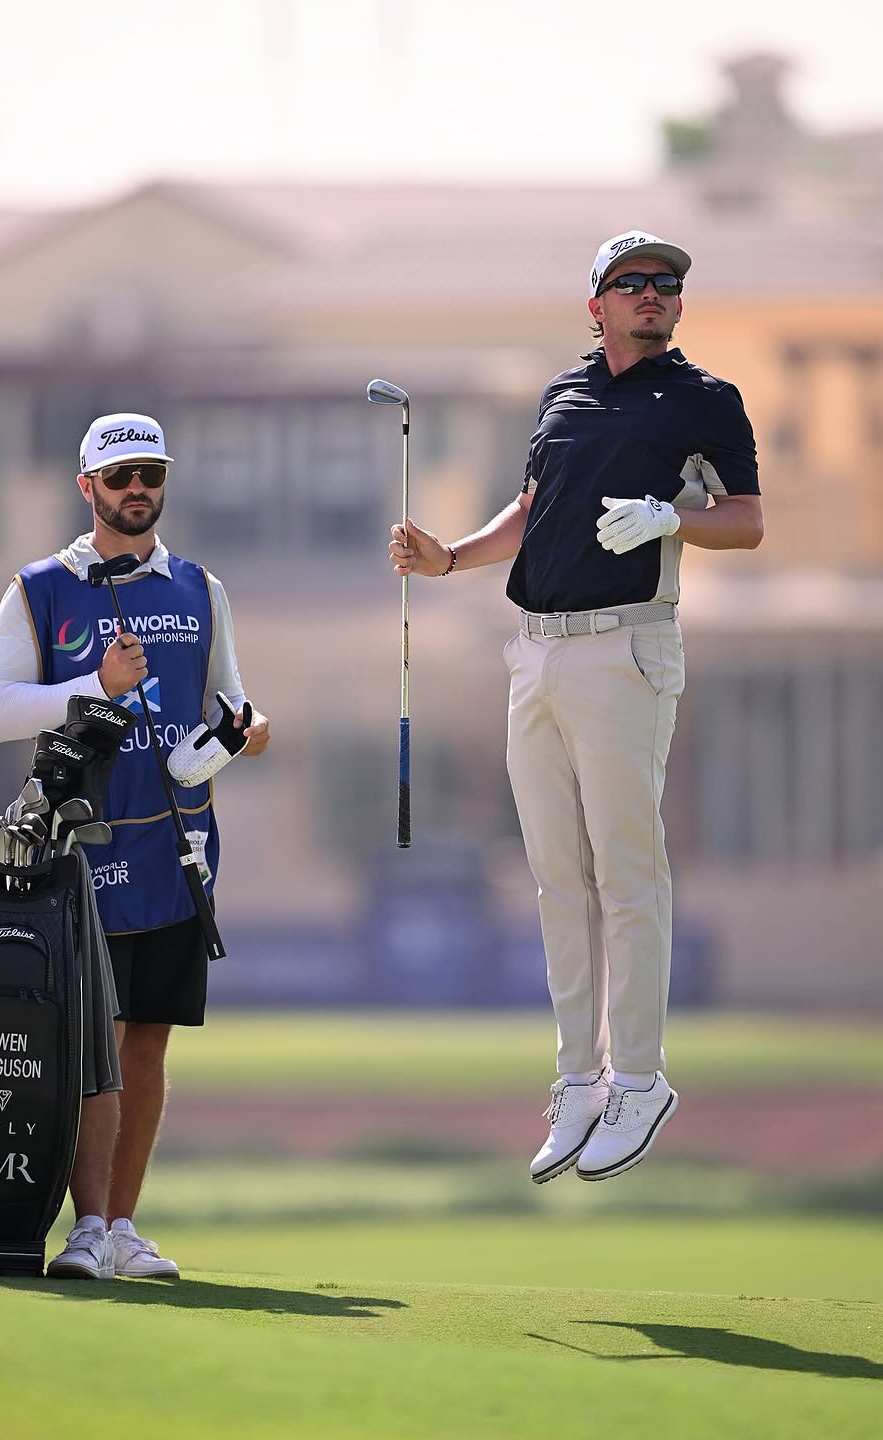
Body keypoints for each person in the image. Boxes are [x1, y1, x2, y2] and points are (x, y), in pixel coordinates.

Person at [389, 231, 763, 1183]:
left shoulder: (705, 399)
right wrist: (450, 558)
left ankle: (638, 1077)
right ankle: (580, 1081)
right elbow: (532, 510)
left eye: (666, 283)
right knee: (558, 879)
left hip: (625, 647)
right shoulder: (564, 394)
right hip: (535, 650)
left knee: (628, 874)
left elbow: (748, 521)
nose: (652, 293)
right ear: (596, 304)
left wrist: (673, 517)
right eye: (631, 282)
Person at [0, 411, 270, 1277]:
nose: (138, 489)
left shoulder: (201, 588)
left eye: (152, 474)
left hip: (180, 850)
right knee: (96, 1042)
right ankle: (85, 1227)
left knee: (147, 1042)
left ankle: (121, 1229)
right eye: (120, 477)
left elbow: (233, 703)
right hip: (83, 852)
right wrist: (94, 686)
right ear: (88, 487)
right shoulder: (39, 588)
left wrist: (245, 730)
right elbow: (0, 711)